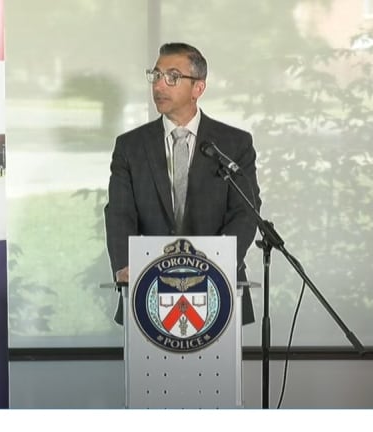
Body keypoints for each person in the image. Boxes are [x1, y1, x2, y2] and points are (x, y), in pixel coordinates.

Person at [104, 42, 261, 325]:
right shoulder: (130, 146)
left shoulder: (234, 144)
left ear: (198, 88)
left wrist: (219, 264)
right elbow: (119, 212)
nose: (159, 85)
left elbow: (245, 211)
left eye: (172, 77)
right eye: (156, 75)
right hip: (147, 287)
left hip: (217, 286)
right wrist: (125, 265)